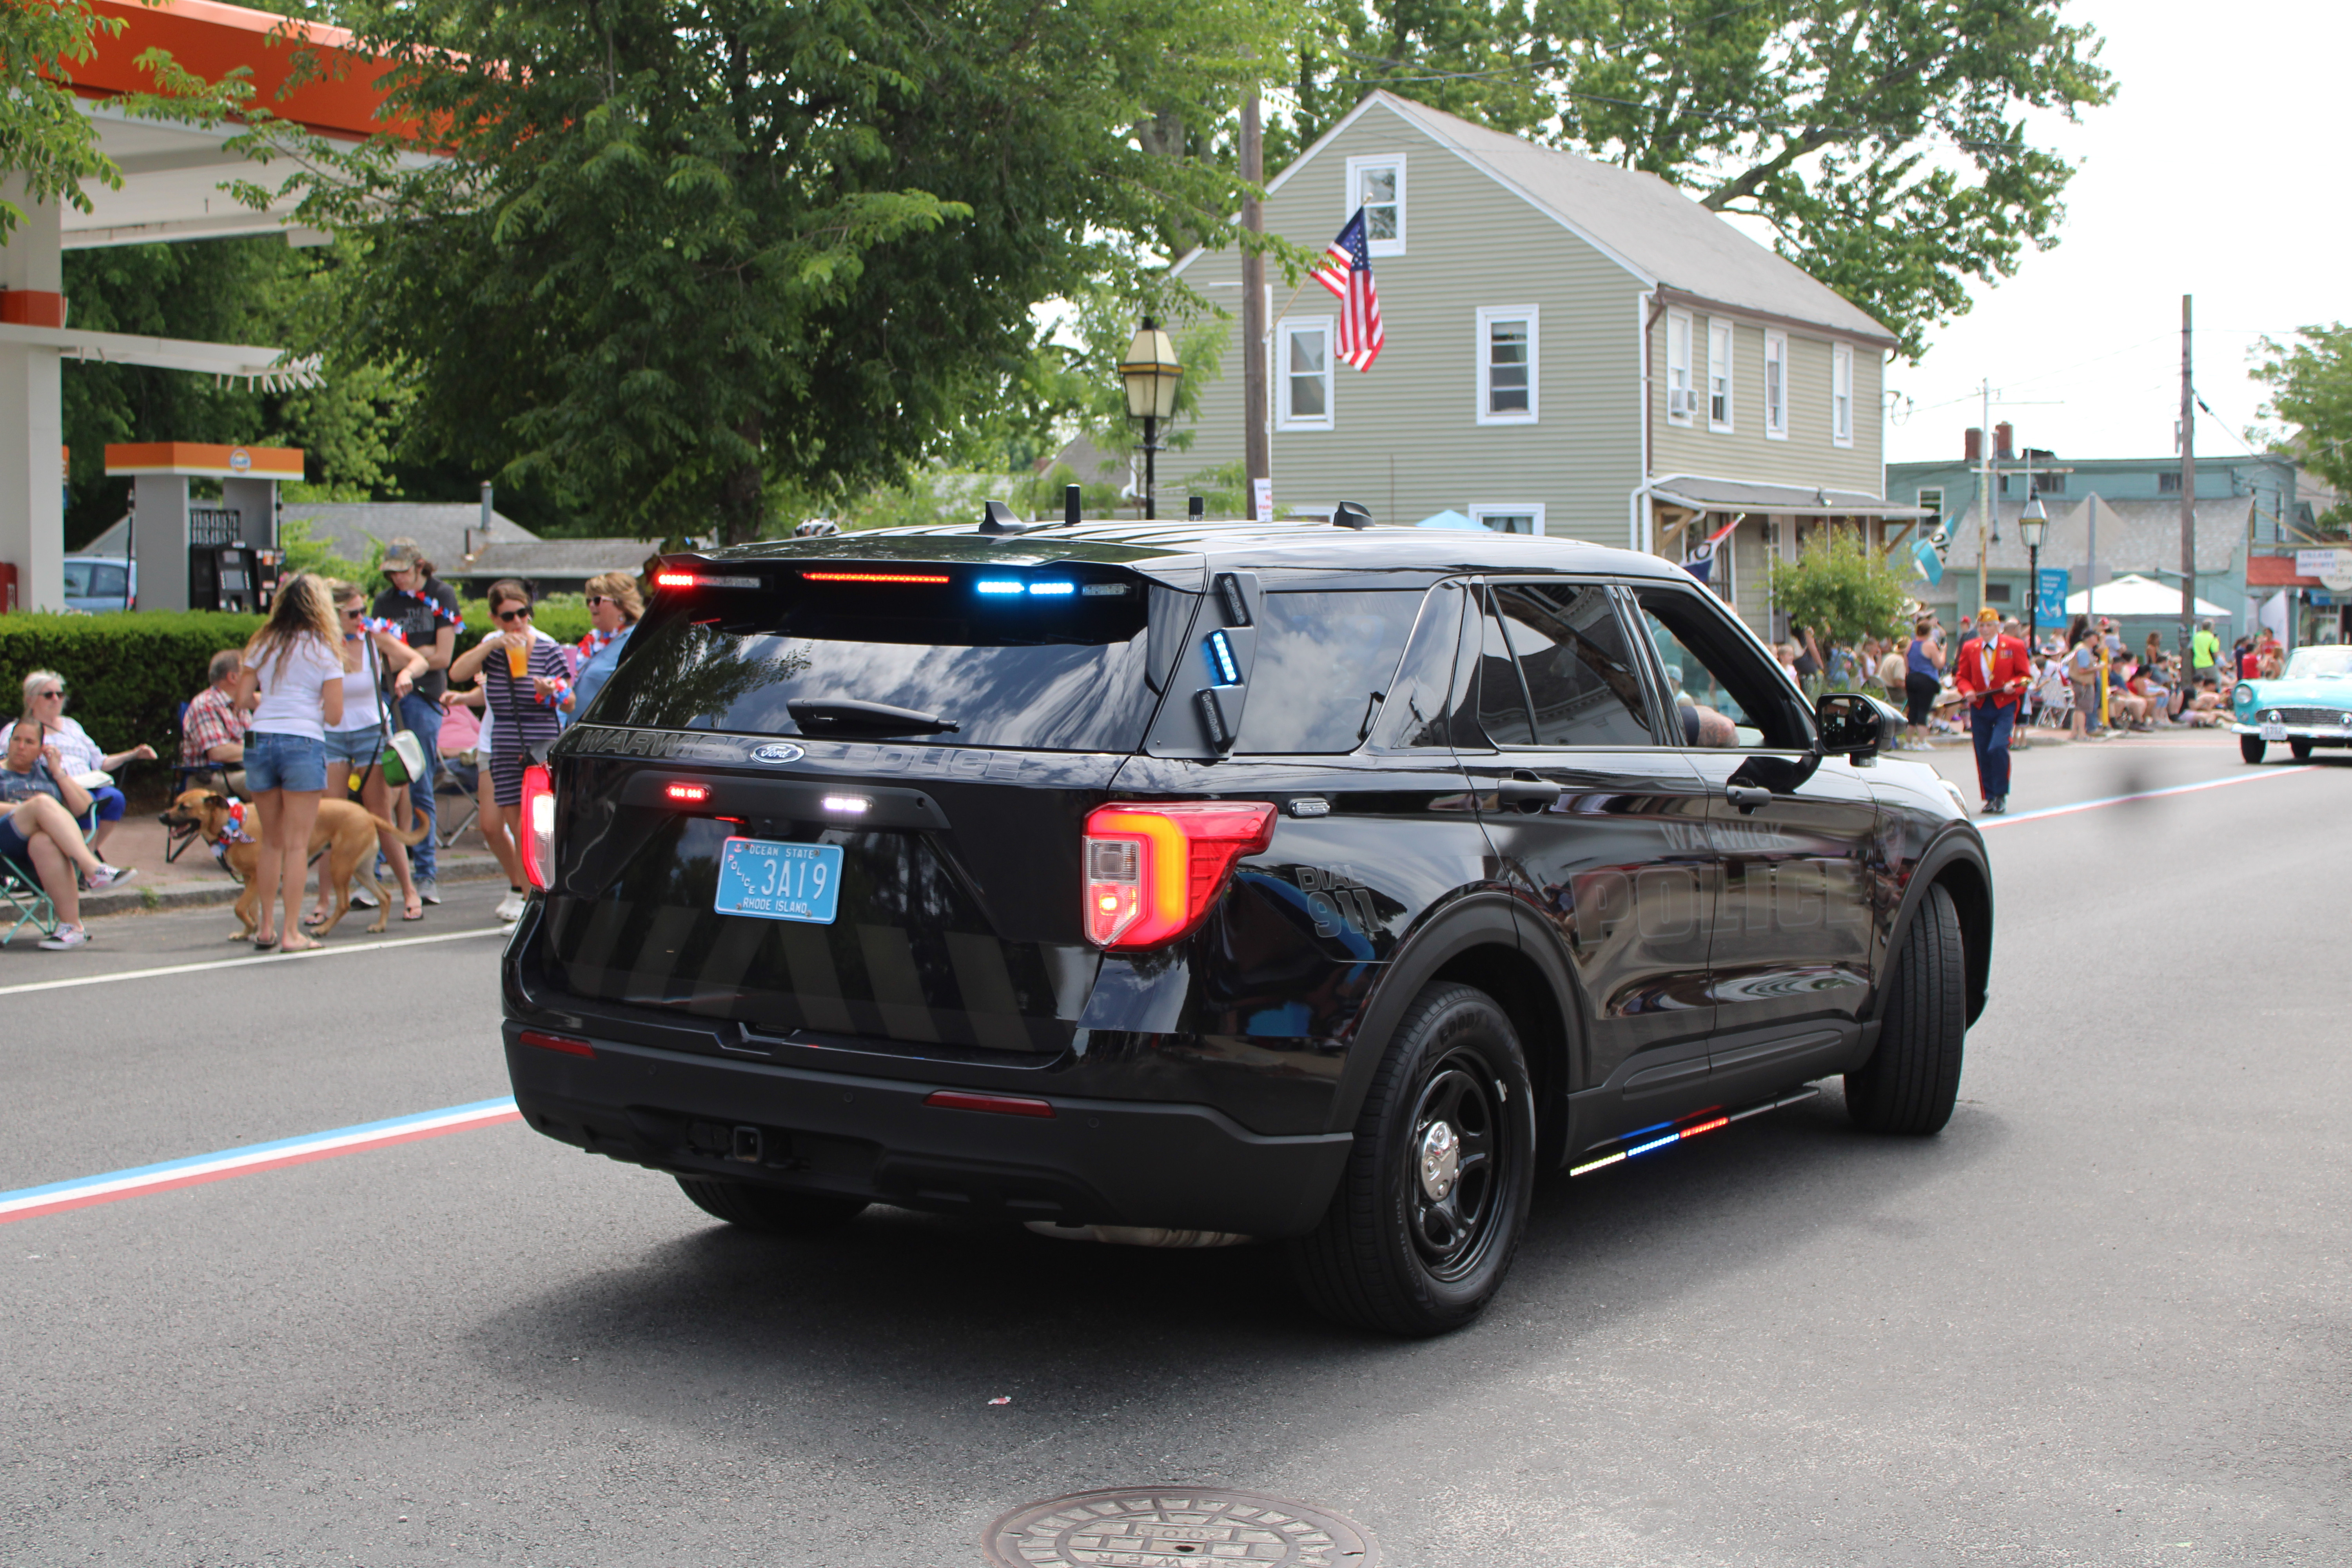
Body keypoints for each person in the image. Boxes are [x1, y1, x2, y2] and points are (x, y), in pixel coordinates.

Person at [234, 572, 346, 951]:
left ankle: (265, 927)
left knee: (272, 842)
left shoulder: (263, 643)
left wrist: (270, 709)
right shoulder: (325, 649)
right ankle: (291, 933)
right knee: (298, 845)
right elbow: (334, 715)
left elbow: (243, 697)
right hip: (303, 738)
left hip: (261, 737)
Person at [310, 581, 430, 927]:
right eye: (353, 613)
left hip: (370, 731)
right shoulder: (321, 644)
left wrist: (406, 672)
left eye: (364, 611)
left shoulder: (372, 637)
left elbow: (418, 660)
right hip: (331, 733)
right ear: (332, 616)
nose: (362, 618)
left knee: (380, 814)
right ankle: (323, 899)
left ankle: (409, 891)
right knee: (328, 819)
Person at [449, 579, 567, 923]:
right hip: (498, 742)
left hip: (536, 742)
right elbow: (459, 673)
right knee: (499, 825)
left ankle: (532, 897)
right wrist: (494, 645)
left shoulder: (547, 646)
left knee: (533, 828)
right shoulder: (493, 647)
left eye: (523, 613)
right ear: (495, 619)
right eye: (508, 616)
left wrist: (551, 692)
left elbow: (568, 697)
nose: (517, 622)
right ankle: (523, 892)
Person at [371, 539, 462, 905]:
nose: (397, 578)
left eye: (402, 571)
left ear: (420, 566)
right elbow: (383, 654)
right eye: (391, 573)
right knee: (381, 784)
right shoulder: (384, 602)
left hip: (424, 698)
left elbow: (442, 657)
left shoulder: (442, 595)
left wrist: (412, 654)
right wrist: (416, 653)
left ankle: (426, 875)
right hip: (389, 697)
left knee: (420, 779)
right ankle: (375, 871)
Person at [0, 719, 136, 948]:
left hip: (38, 847)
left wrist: (58, 772)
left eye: (29, 742)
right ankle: (92, 869)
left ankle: (72, 928)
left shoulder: (47, 773)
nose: (21, 746)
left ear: (42, 748)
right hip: (5, 841)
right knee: (43, 804)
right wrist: (33, 811)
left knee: (43, 841)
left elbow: (85, 807)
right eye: (17, 740)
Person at [20, 670, 156, 858]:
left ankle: (84, 856)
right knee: (87, 804)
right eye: (48, 695)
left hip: (88, 784)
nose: (56, 699)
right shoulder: (21, 730)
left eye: (60, 694)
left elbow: (100, 762)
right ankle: (85, 864)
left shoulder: (72, 726)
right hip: (55, 787)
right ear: (30, 700)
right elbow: (10, 762)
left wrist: (133, 755)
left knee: (114, 799)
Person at [1953, 607, 2030, 814]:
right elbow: (1961, 676)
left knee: (1997, 747)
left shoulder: (2015, 645)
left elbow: (2025, 676)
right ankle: (1989, 797)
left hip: (2005, 703)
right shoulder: (1971, 647)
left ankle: (2000, 794)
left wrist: (2013, 684)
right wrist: (1968, 691)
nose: (1985, 629)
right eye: (1982, 626)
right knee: (1982, 750)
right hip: (1980, 704)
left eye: (1989, 625)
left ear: (1998, 627)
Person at [563, 571, 643, 718]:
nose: (592, 605)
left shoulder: (634, 639)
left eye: (598, 600)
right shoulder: (593, 640)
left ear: (621, 605)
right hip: (576, 731)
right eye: (589, 601)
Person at [180, 648, 255, 794]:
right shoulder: (206, 705)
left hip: (240, 771)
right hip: (212, 778)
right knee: (269, 781)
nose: (255, 679)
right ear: (233, 677)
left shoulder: (242, 706)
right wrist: (263, 750)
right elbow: (218, 753)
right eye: (248, 673)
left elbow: (254, 742)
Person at [1903, 619, 1943, 745]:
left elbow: (1906, 661)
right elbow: (1939, 664)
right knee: (1923, 710)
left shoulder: (1911, 644)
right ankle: (1922, 741)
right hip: (1926, 679)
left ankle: (1908, 742)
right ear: (1929, 632)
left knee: (1913, 710)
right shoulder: (1930, 645)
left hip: (1912, 678)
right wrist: (1944, 652)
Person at [2190, 619, 2221, 689]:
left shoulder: (2196, 636)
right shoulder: (2213, 638)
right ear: (2212, 628)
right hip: (2210, 664)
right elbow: (2215, 653)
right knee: (2216, 682)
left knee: (2199, 684)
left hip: (2198, 664)